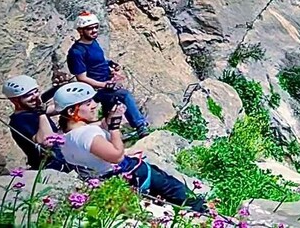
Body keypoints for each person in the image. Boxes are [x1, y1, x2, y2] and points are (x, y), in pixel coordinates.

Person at [54, 82, 206, 212]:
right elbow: (116, 156)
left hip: (105, 179)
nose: (95, 105)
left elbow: (93, 134)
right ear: (71, 111)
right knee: (181, 194)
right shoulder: (88, 134)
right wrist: (114, 128)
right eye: (88, 104)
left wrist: (110, 119)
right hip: (131, 174)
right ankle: (206, 213)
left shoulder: (64, 136)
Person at [67, 11, 149, 138]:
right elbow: (82, 78)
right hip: (93, 89)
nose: (94, 31)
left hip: (104, 82)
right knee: (124, 95)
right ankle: (140, 126)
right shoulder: (76, 52)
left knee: (110, 107)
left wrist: (110, 64)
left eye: (96, 27)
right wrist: (104, 85)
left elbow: (97, 62)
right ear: (81, 30)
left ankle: (108, 133)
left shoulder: (93, 43)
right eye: (90, 28)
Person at [3, 75, 70, 171]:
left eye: (36, 92)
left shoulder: (32, 110)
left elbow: (57, 108)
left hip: (61, 158)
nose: (35, 97)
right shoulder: (19, 121)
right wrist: (41, 113)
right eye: (28, 95)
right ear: (14, 100)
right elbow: (47, 139)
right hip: (50, 166)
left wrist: (60, 89)